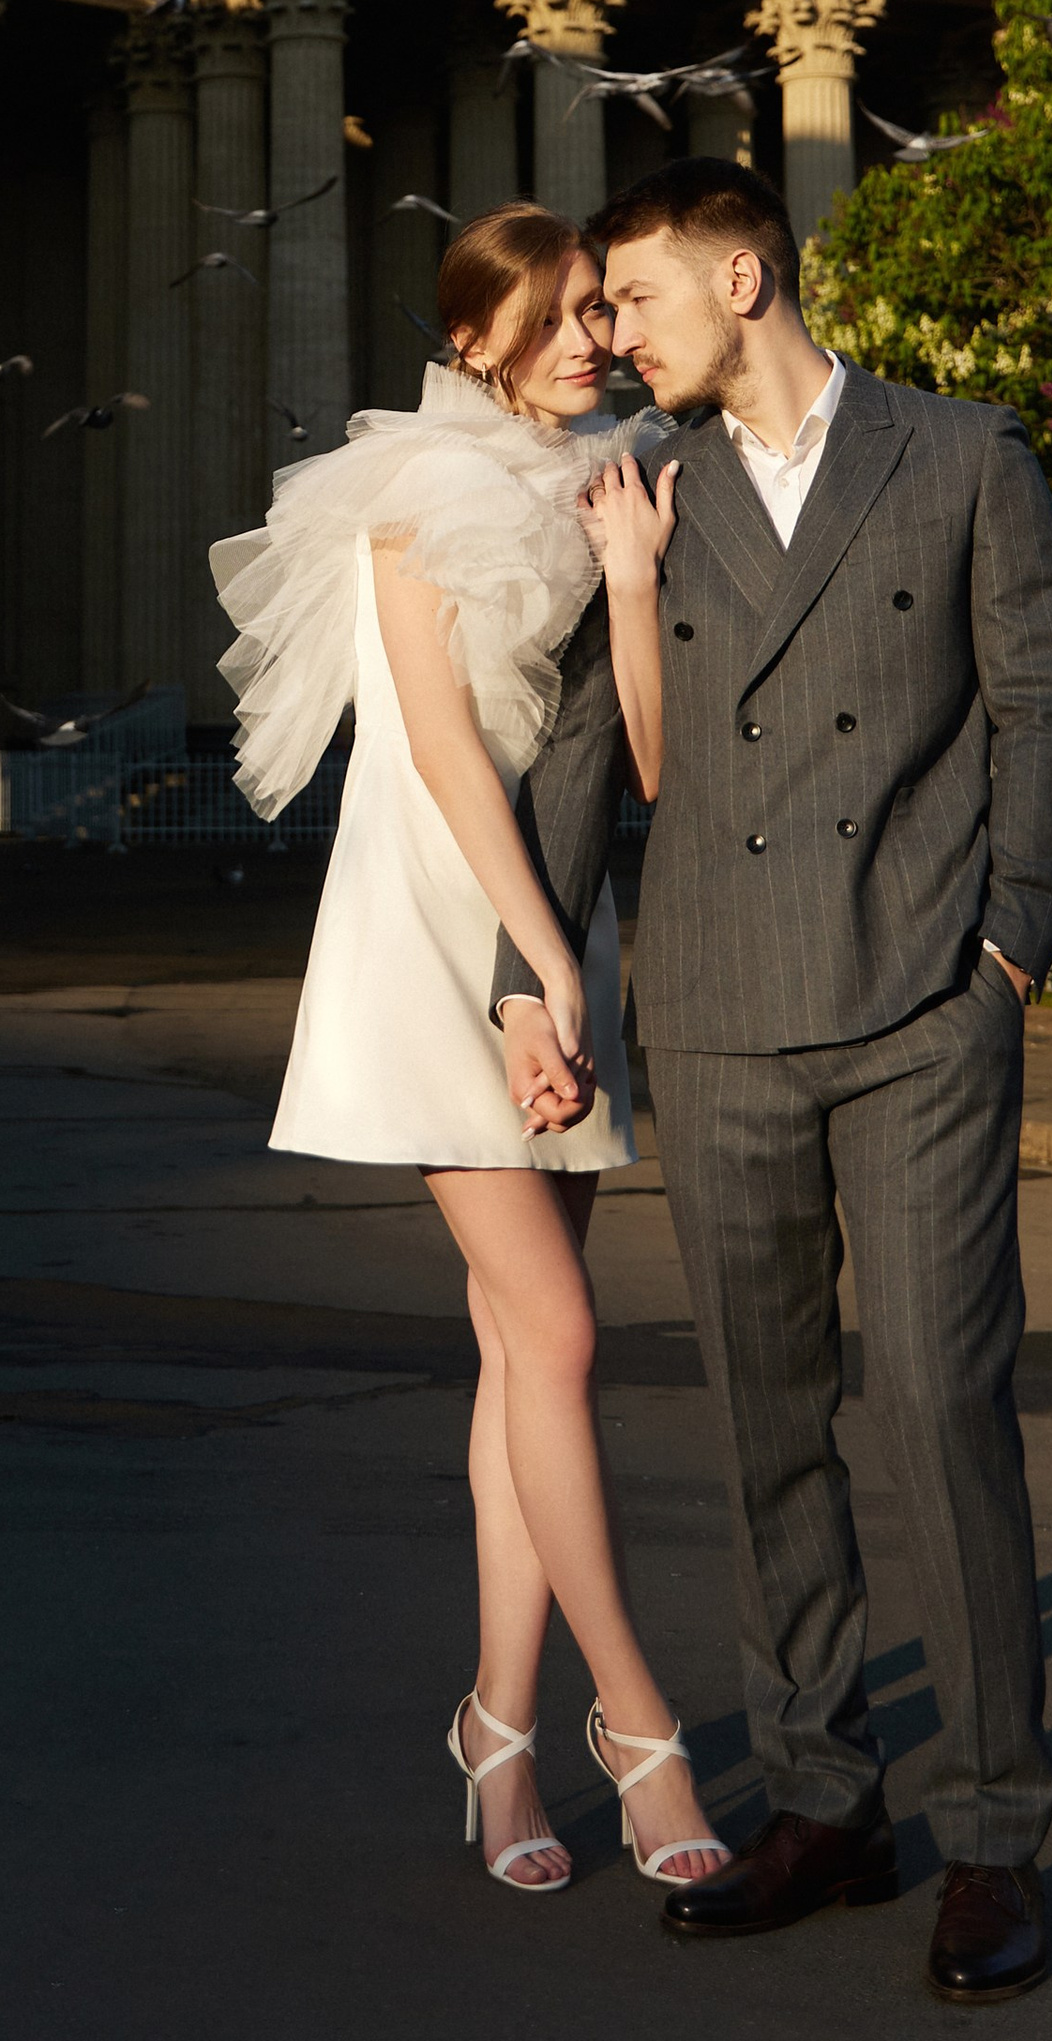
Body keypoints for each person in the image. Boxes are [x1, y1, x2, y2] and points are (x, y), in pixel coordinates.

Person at [494, 159, 1052, 2005]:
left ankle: (991, 1830)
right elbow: (594, 738)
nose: (615, 334)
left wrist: (1008, 949)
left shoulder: (961, 454)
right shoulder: (641, 490)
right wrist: (541, 975)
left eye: (640, 300)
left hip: (922, 1004)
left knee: (937, 1408)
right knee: (769, 1426)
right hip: (724, 1010)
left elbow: (1040, 705)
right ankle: (828, 1797)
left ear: (743, 277)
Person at [212, 203, 728, 1899]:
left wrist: (639, 578)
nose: (592, 333)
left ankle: (497, 1734)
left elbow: (633, 752)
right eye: (562, 312)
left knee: (524, 1358)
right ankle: (636, 1720)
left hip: (550, 914)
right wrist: (528, 973)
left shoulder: (620, 480)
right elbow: (438, 748)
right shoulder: (409, 495)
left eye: (600, 305)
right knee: (563, 1329)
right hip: (437, 921)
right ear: (480, 336)